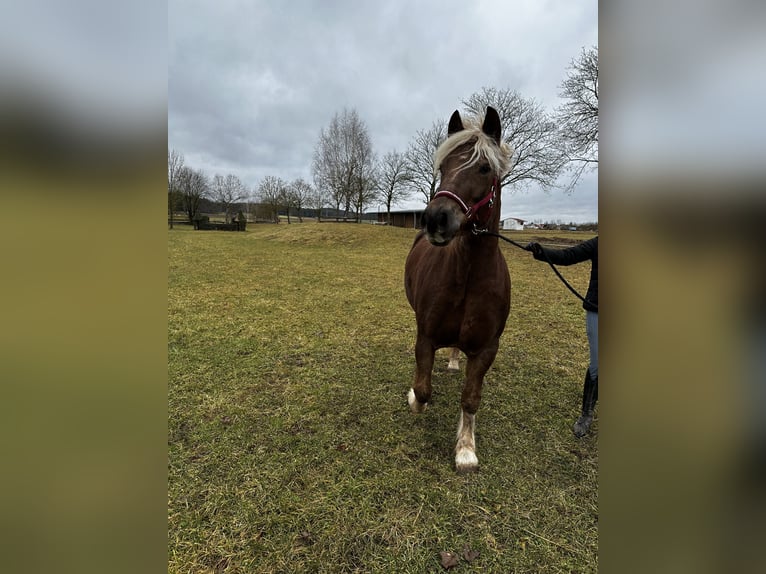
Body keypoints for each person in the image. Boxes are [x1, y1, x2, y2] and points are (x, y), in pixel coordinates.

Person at [525, 237, 598, 437]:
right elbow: (569, 256)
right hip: (598, 309)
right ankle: (586, 413)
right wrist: (542, 252)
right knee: (598, 364)